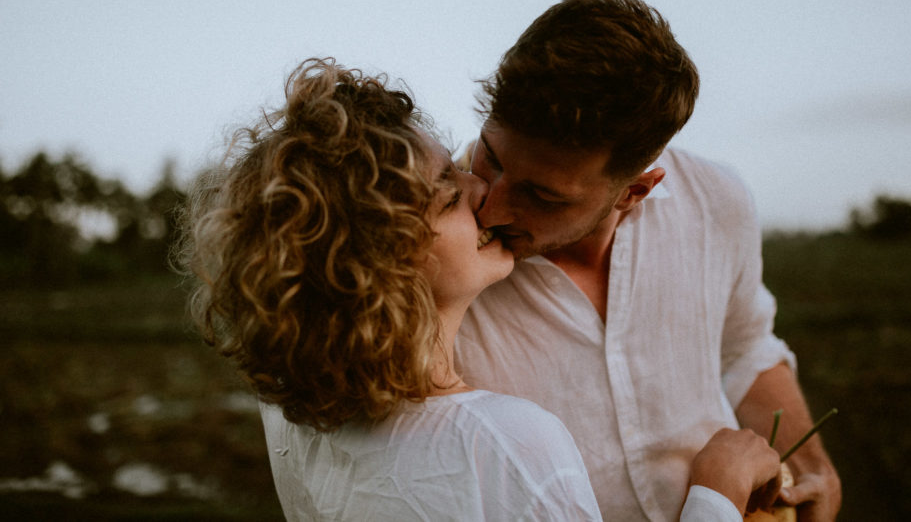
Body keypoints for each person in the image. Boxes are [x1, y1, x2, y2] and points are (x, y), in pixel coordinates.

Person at [178, 57, 784, 521]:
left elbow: (749, 342)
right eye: (449, 190)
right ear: (384, 258)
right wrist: (717, 495)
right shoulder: (510, 444)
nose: (482, 194)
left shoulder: (295, 418)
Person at [454, 0, 842, 522]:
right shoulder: (432, 247)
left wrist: (811, 461)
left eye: (542, 195)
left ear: (635, 190)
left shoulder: (717, 201)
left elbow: (745, 348)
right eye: (492, 158)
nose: (491, 207)